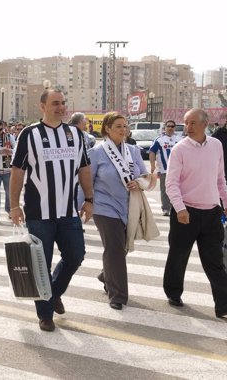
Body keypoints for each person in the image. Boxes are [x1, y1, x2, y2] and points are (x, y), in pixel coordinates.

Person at [10, 88, 93, 332]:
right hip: (39, 214)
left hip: (68, 212)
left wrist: (89, 199)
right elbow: (17, 171)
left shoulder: (75, 135)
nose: (60, 107)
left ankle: (54, 292)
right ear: (43, 106)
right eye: (55, 103)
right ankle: (45, 314)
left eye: (63, 103)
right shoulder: (29, 134)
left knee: (76, 256)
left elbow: (84, 168)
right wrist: (14, 205)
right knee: (40, 264)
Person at [163, 108, 227, 318]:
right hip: (186, 213)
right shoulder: (179, 150)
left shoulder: (216, 146)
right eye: (186, 123)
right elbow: (171, 184)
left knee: (215, 260)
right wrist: (180, 208)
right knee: (178, 256)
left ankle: (224, 304)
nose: (187, 127)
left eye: (192, 123)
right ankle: (174, 292)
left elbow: (220, 178)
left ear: (204, 124)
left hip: (211, 213)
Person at [89, 112, 149, 311]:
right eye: (118, 126)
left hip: (129, 206)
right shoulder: (97, 152)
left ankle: (106, 274)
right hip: (104, 207)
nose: (123, 130)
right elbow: (87, 182)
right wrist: (84, 204)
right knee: (114, 248)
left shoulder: (133, 151)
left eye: (125, 126)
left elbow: (145, 175)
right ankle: (118, 295)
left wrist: (139, 181)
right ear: (107, 129)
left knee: (122, 247)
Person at [149, 120, 181, 216]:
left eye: (172, 126)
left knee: (178, 189)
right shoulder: (159, 140)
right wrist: (152, 165)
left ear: (175, 128)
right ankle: (166, 208)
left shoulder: (180, 139)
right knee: (165, 189)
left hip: (179, 170)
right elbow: (152, 152)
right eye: (168, 126)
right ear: (165, 128)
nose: (170, 128)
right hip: (164, 169)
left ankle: (176, 208)